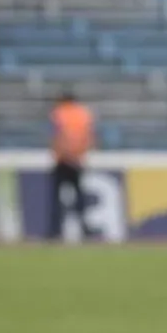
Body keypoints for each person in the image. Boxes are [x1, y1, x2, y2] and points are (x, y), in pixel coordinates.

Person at [48, 91, 94, 241]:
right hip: (77, 160)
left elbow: (57, 135)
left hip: (63, 160)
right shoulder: (83, 114)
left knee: (56, 198)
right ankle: (85, 229)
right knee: (79, 196)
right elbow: (89, 137)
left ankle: (55, 231)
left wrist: (60, 153)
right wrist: (80, 155)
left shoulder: (59, 113)